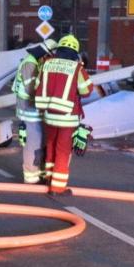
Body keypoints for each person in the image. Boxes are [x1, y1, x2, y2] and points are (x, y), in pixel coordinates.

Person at [34, 35, 94, 194]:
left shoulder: (46, 64)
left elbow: (37, 85)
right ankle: (58, 187)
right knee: (63, 150)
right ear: (75, 52)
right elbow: (86, 91)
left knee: (51, 146)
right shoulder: (77, 68)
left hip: (49, 115)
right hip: (67, 117)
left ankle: (48, 178)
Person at [12, 39, 57, 184]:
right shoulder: (30, 63)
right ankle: (31, 176)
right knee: (33, 143)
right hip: (29, 110)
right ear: (46, 54)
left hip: (33, 109)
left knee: (40, 142)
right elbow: (32, 89)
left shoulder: (34, 61)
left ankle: (39, 171)